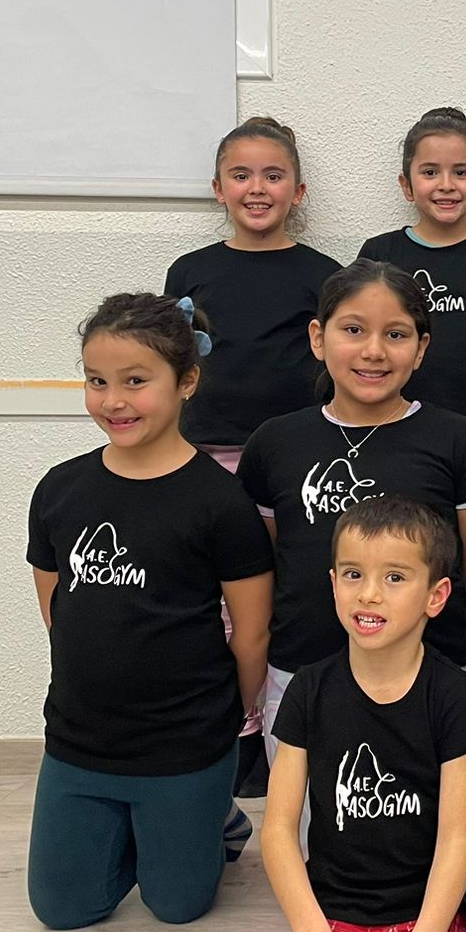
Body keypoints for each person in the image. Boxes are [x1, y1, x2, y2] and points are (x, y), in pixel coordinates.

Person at [24, 293, 274, 929]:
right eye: (97, 381)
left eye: (136, 381)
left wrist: (231, 721)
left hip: (184, 742)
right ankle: (145, 826)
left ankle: (214, 816)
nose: (114, 401)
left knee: (176, 906)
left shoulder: (220, 502)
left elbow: (251, 632)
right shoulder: (59, 489)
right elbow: (58, 610)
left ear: (187, 381)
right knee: (62, 910)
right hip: (80, 740)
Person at [237, 261, 466, 759]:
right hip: (300, 674)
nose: (374, 351)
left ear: (421, 349)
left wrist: (457, 667)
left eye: (396, 334)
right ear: (318, 338)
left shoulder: (459, 441)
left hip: (429, 679)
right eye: (354, 329)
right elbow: (270, 567)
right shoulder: (274, 444)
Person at [261, 496, 466, 932]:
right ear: (333, 583)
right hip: (336, 916)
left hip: (426, 917)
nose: (369, 595)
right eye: (354, 574)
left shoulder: (453, 697)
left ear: (436, 596)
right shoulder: (309, 690)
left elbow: (458, 838)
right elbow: (278, 830)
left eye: (395, 577)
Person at [165, 116, 340, 793]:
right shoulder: (191, 272)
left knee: (286, 593)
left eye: (273, 175)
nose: (257, 188)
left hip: (293, 462)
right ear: (218, 188)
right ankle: (231, 735)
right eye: (241, 176)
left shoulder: (323, 274)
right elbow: (173, 362)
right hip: (208, 457)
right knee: (217, 600)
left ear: (299, 190)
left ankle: (286, 734)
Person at [357, 108, 466, 435]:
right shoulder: (380, 254)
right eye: (430, 172)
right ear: (407, 186)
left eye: (460, 172)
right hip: (395, 425)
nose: (446, 185)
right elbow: (367, 339)